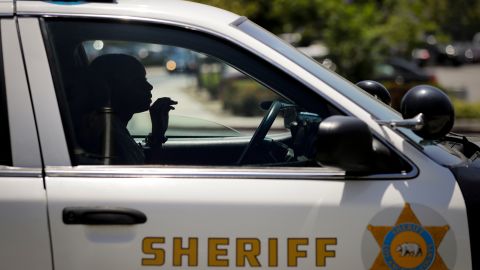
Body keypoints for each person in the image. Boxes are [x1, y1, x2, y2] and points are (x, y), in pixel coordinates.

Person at [75, 54, 177, 164]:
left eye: (145, 79)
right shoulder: (106, 135)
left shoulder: (114, 127)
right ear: (108, 88)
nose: (149, 86)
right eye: (138, 81)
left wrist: (157, 134)